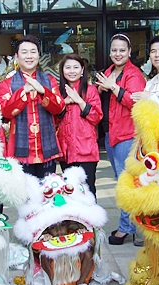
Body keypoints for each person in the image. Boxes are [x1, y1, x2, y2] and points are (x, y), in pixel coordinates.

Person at [95, 33, 146, 245]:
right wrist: (101, 88)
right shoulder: (109, 72)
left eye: (122, 50)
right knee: (122, 182)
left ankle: (128, 228)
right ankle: (130, 224)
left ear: (129, 52)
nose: (118, 53)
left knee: (127, 183)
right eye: (114, 50)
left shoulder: (133, 74)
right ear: (109, 52)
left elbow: (135, 104)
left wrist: (114, 87)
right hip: (111, 133)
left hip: (126, 134)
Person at [0, 35, 65, 178]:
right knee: (24, 196)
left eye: (33, 51)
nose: (29, 56)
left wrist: (43, 91)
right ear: (16, 56)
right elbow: (5, 112)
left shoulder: (49, 80)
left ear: (39, 55)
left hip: (46, 150)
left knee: (46, 194)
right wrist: (23, 91)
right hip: (20, 150)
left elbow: (59, 108)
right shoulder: (7, 83)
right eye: (24, 52)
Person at [56, 54, 102, 197]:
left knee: (87, 191)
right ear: (62, 71)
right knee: (69, 191)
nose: (72, 71)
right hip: (66, 151)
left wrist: (79, 101)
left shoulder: (90, 90)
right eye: (68, 67)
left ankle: (91, 220)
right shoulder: (58, 92)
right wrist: (65, 103)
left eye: (76, 67)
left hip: (86, 150)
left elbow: (97, 117)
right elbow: (53, 119)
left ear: (82, 70)